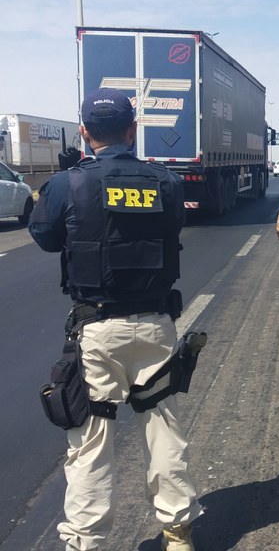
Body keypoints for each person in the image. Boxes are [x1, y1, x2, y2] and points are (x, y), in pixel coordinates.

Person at [29, 88, 202, 551]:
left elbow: (45, 238)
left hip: (96, 330)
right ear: (133, 130)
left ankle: (86, 543)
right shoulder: (165, 182)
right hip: (154, 325)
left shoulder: (67, 184)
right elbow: (171, 230)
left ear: (84, 133)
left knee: (90, 441)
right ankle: (179, 532)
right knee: (162, 425)